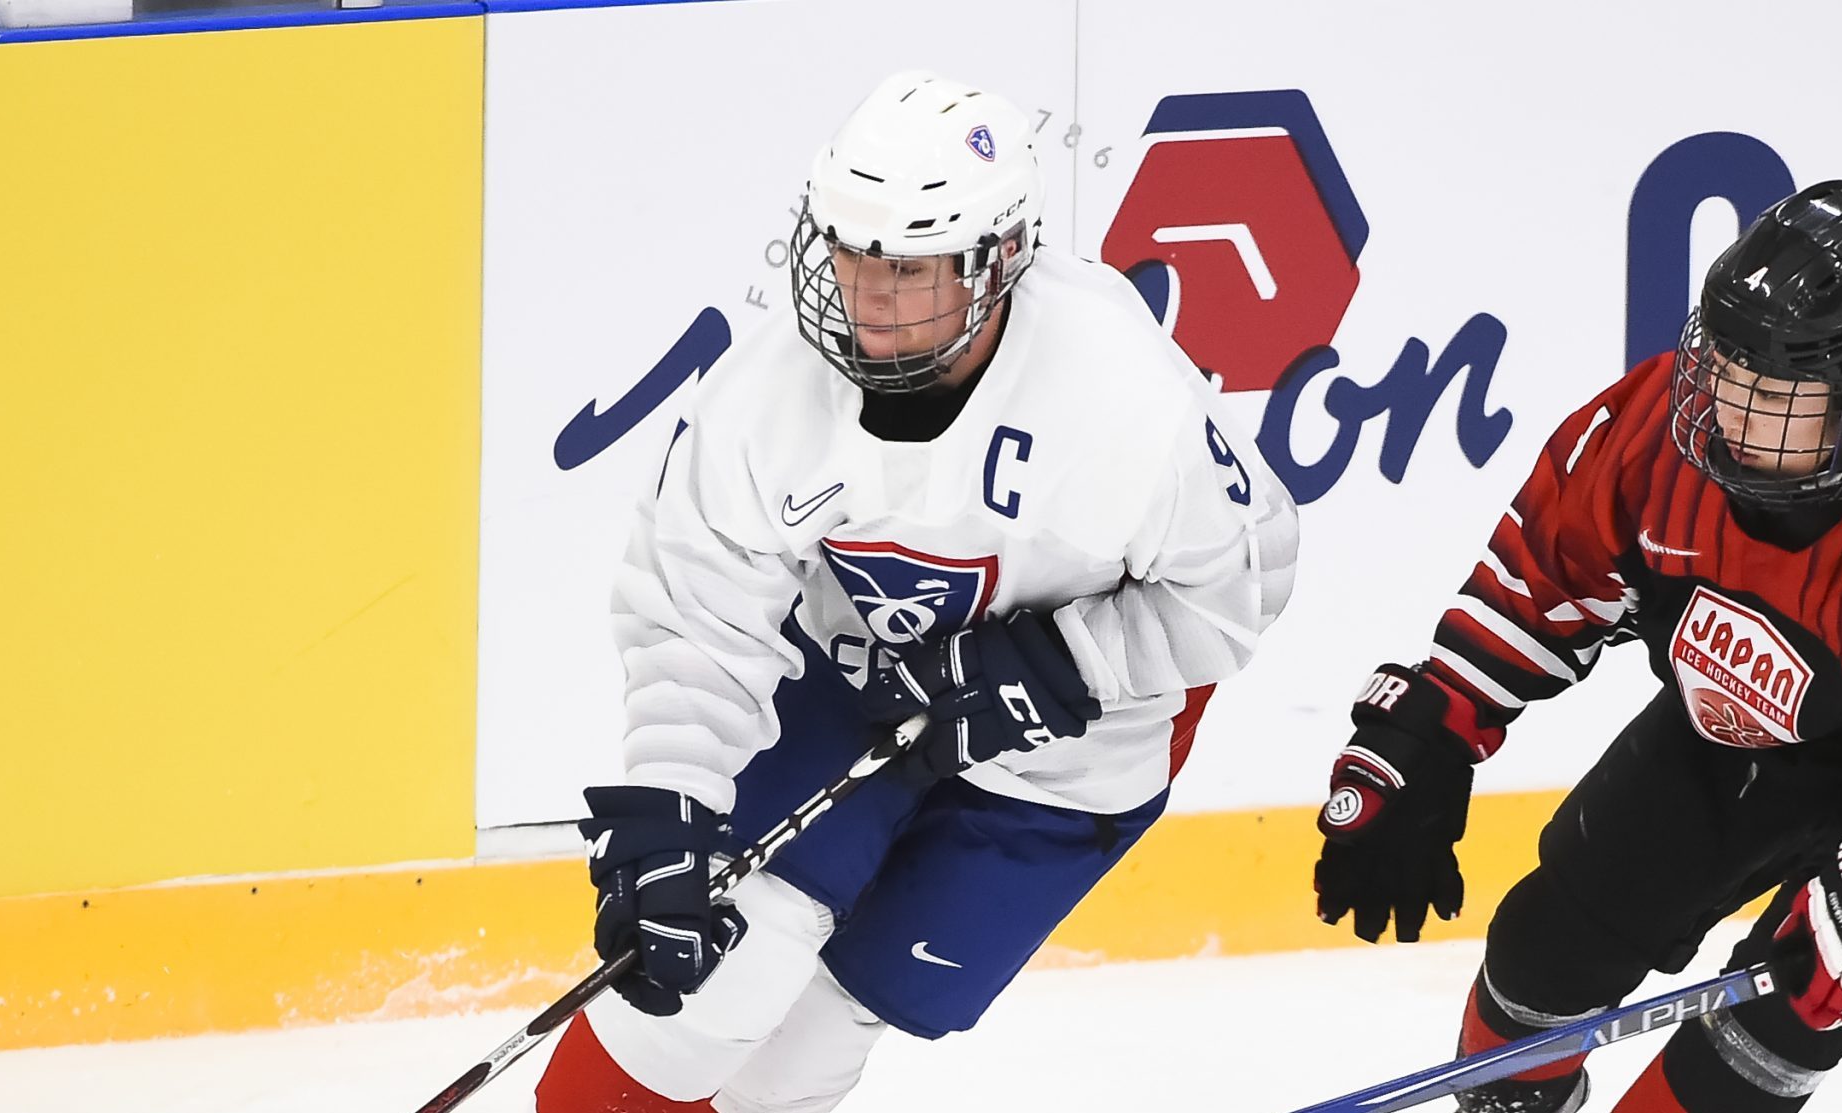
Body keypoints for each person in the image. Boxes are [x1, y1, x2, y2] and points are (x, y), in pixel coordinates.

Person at [533, 71, 1300, 1113]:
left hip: (1067, 762)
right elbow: (694, 610)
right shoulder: (771, 392)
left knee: (804, 1056)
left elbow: (1238, 590)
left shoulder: (1121, 398)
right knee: (699, 998)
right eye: (848, 254)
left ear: (1001, 260)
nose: (866, 293)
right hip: (853, 686)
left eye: (908, 266)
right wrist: (672, 810)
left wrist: (1065, 662)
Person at [1309, 180, 1842, 1112]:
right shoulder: (1659, 433)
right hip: (1730, 738)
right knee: (1544, 951)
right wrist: (1434, 725)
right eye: (1724, 369)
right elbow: (1545, 574)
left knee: (1775, 1026)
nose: (1727, 410)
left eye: (1775, 395)